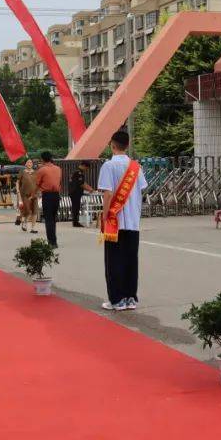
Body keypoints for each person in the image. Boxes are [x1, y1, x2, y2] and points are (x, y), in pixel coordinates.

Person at [98, 131, 148, 311]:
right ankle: (130, 298)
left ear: (112, 145)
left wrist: (104, 217)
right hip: (133, 221)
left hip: (115, 222)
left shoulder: (108, 166)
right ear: (127, 145)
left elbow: (108, 193)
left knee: (114, 261)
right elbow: (142, 189)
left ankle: (116, 300)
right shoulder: (136, 167)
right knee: (130, 260)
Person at [36, 151, 63, 248]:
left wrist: (33, 194)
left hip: (47, 195)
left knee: (48, 219)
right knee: (53, 218)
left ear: (42, 159)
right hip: (56, 195)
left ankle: (52, 242)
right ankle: (54, 240)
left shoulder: (42, 170)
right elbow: (59, 182)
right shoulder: (58, 169)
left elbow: (37, 184)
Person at [17, 159, 39, 233]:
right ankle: (25, 222)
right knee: (28, 211)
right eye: (28, 162)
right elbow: (17, 182)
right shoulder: (22, 172)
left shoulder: (36, 172)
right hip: (25, 195)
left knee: (35, 211)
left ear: (32, 164)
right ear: (25, 164)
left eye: (31, 162)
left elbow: (38, 183)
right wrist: (18, 191)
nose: (29, 163)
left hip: (34, 194)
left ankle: (33, 228)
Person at [69, 162, 93, 227]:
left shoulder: (75, 171)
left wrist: (89, 188)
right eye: (86, 168)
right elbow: (81, 184)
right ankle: (75, 222)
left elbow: (82, 182)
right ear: (84, 165)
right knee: (76, 207)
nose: (86, 170)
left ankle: (75, 221)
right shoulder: (79, 173)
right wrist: (90, 190)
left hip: (72, 192)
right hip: (75, 192)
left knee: (75, 207)